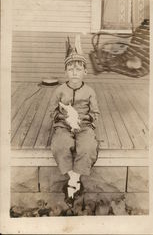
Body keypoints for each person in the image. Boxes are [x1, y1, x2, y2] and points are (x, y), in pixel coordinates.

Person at [50, 35, 100, 205]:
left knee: (87, 147)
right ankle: (75, 182)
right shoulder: (59, 90)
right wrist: (65, 118)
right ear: (65, 71)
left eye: (78, 69)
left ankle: (72, 182)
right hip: (63, 125)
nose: (74, 73)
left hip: (84, 126)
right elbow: (52, 112)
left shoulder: (90, 91)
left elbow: (95, 113)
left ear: (85, 72)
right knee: (60, 145)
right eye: (70, 69)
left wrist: (86, 121)